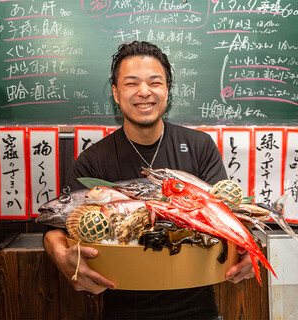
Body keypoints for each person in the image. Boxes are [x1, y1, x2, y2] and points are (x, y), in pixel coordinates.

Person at [44, 41, 255, 319]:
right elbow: (56, 229)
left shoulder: (199, 146)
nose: (144, 92)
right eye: (131, 84)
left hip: (198, 308)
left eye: (155, 82)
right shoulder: (93, 161)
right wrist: (60, 256)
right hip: (123, 309)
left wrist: (248, 246)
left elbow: (227, 214)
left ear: (167, 90)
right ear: (116, 94)